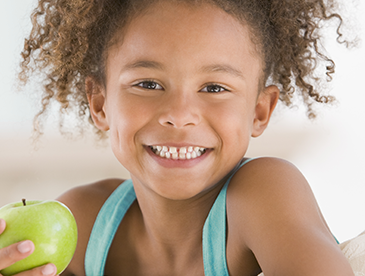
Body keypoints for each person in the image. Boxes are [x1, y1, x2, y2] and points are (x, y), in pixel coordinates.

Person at [0, 0, 356, 275]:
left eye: (214, 87)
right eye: (148, 84)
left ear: (260, 111)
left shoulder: (263, 193)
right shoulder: (85, 223)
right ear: (99, 103)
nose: (179, 114)